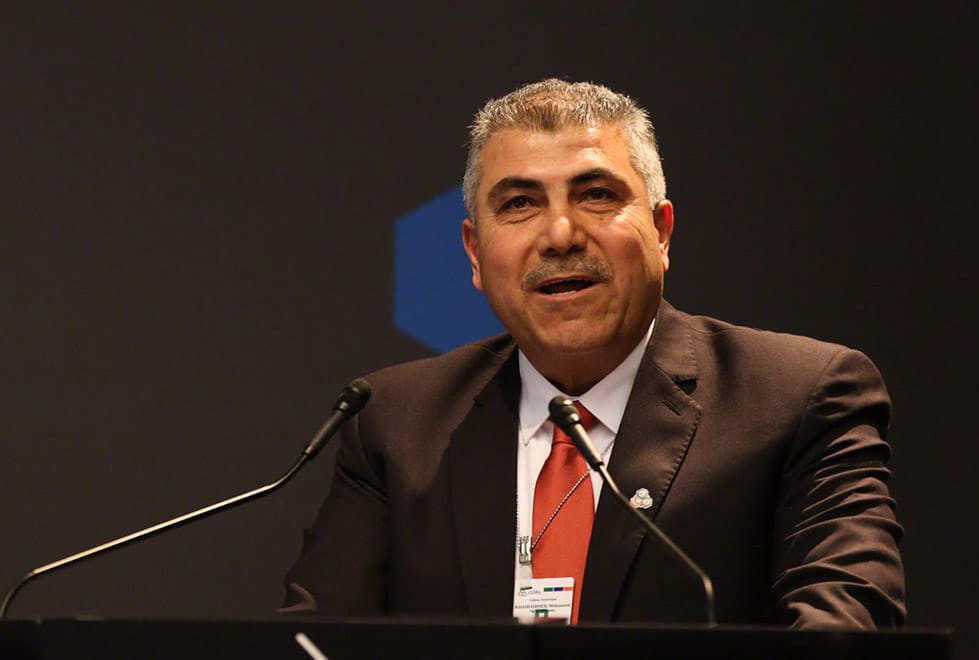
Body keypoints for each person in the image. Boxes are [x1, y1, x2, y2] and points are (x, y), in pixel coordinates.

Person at [282, 79, 905, 628]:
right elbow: (313, 642)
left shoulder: (799, 398)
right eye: (520, 204)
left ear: (661, 231)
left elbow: (842, 630)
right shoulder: (396, 422)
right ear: (474, 253)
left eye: (597, 195)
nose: (560, 234)